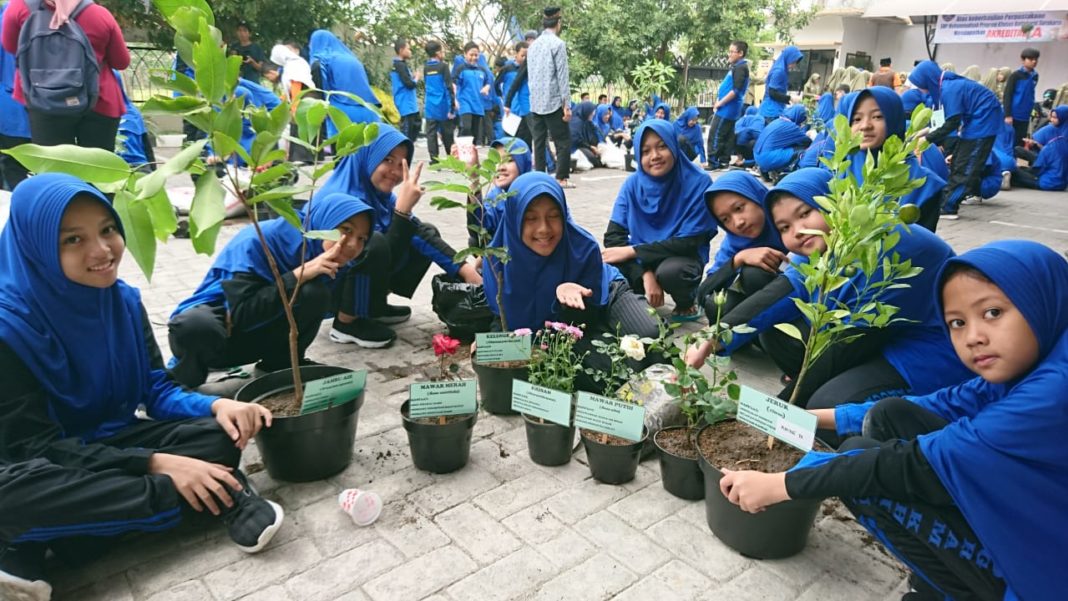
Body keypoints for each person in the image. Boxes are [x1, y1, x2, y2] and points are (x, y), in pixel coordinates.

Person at [719, 240, 1068, 601]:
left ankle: (965, 590)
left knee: (862, 471)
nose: (974, 337)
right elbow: (940, 403)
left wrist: (783, 483)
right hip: (1033, 512)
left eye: (993, 313)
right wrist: (796, 418)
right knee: (891, 414)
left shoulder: (1053, 392)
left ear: (1040, 296)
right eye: (958, 323)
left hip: (1045, 576)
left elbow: (910, 464)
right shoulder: (1039, 359)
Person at [0, 175, 284, 599]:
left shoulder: (123, 301)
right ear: (35, 247)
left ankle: (59, 536)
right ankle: (217, 494)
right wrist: (158, 464)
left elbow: (156, 390)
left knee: (216, 438)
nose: (101, 251)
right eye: (73, 240)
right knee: (11, 497)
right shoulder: (10, 329)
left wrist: (216, 408)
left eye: (108, 230)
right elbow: (37, 447)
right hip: (41, 462)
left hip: (110, 442)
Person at [685, 168, 972, 418]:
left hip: (931, 354)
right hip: (877, 340)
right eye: (784, 227)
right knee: (780, 340)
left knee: (824, 405)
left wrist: (774, 413)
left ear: (839, 204)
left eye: (806, 213)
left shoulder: (890, 246)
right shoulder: (824, 247)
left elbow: (846, 346)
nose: (798, 231)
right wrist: (712, 341)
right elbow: (777, 295)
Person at [169, 192, 376, 387]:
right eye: (346, 230)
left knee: (314, 293)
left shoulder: (327, 259)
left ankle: (280, 366)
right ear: (323, 222)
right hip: (220, 336)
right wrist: (300, 274)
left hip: (261, 334)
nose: (352, 245)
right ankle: (182, 385)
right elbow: (242, 314)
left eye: (361, 239)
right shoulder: (259, 241)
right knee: (195, 326)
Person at [483, 171, 659, 391]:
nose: (544, 229)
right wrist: (487, 344)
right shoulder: (496, 261)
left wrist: (572, 293)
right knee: (605, 372)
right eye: (530, 218)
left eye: (554, 216)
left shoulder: (582, 247)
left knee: (651, 336)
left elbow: (590, 315)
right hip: (565, 329)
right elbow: (503, 315)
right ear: (514, 218)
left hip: (605, 296)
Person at [317, 124, 482, 346]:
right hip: (327, 288)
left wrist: (465, 271)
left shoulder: (379, 197)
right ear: (368, 156)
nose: (395, 172)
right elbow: (364, 253)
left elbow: (418, 232)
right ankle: (347, 322)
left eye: (401, 163)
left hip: (354, 276)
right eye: (387, 160)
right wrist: (402, 212)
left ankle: (373, 307)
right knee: (374, 242)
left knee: (425, 232)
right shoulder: (340, 198)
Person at [602, 119, 717, 322]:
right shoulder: (632, 185)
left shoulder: (698, 183)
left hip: (681, 256)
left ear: (674, 145)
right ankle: (636, 304)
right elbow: (614, 237)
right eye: (645, 151)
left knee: (672, 272)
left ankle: (687, 302)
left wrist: (633, 251)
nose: (654, 156)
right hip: (643, 259)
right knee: (609, 263)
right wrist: (645, 273)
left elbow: (690, 241)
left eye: (662, 146)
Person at [1, 0, 129, 150]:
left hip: (43, 99)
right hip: (98, 100)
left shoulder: (19, 8)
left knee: (55, 165)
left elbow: (11, 47)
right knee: (96, 168)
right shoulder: (98, 14)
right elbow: (121, 62)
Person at [842, 87, 945, 232]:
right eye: (856, 119)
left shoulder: (924, 185)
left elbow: (920, 244)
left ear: (894, 119)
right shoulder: (841, 172)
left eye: (877, 116)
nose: (865, 126)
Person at [909, 60, 1002, 220]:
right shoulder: (943, 87)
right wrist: (919, 135)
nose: (920, 89)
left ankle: (949, 206)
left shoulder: (949, 89)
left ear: (928, 79)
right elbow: (940, 123)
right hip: (974, 123)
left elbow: (951, 122)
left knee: (966, 166)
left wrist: (927, 139)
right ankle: (949, 201)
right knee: (958, 162)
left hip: (983, 123)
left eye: (920, 84)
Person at [696, 171, 787, 320]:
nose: (738, 223)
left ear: (757, 196)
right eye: (725, 219)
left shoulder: (790, 225)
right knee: (716, 305)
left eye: (739, 208)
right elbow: (703, 293)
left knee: (754, 274)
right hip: (756, 315)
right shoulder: (734, 244)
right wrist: (738, 259)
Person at [526, 9, 573, 188]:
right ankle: (561, 178)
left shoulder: (533, 46)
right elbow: (562, 76)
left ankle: (539, 177)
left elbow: (531, 75)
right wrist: (566, 105)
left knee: (538, 142)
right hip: (553, 101)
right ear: (558, 23)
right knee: (562, 141)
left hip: (536, 101)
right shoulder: (558, 44)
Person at [463, 137, 533, 247]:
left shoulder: (536, 194)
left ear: (523, 162)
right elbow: (481, 228)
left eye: (509, 160)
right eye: (496, 161)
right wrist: (474, 178)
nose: (501, 167)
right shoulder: (496, 195)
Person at [308, 30, 380, 135]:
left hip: (342, 116)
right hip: (370, 112)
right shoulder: (352, 59)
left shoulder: (321, 60)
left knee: (344, 150)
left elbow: (321, 87)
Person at [0, 0, 30, 190]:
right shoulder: (60, 13)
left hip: (10, 109)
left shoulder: (7, 15)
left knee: (12, 167)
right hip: (55, 106)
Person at [707, 40, 750, 169]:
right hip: (731, 108)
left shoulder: (740, 68)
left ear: (740, 53)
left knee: (716, 134)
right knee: (727, 135)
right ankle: (723, 160)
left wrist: (720, 103)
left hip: (727, 108)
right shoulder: (738, 67)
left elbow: (735, 91)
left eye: (732, 52)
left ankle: (713, 161)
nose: (729, 54)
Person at [1011, 104, 1067, 191]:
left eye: (1055, 118)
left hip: (1046, 182)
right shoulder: (1060, 142)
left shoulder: (1049, 148)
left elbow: (1037, 170)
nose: (1052, 120)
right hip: (1061, 182)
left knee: (1014, 172)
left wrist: (1021, 170)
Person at [422, 40, 457, 164]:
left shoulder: (426, 68)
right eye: (442, 51)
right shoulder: (443, 66)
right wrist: (452, 108)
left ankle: (434, 160)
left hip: (430, 106)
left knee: (431, 134)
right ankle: (451, 159)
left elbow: (427, 85)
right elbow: (449, 87)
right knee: (447, 133)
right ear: (437, 53)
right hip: (442, 105)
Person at [753, 105, 810, 179]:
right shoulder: (791, 126)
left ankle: (769, 170)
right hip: (767, 158)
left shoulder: (777, 121)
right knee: (803, 150)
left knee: (786, 147)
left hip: (757, 156)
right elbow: (807, 141)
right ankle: (788, 174)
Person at [453, 42, 491, 145]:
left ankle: (470, 155)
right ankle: (460, 148)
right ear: (465, 54)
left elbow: (488, 82)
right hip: (465, 103)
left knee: (474, 132)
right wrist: (454, 100)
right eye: (471, 55)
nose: (474, 57)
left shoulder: (482, 70)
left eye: (476, 55)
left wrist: (487, 88)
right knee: (466, 127)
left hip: (478, 104)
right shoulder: (461, 69)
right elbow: (453, 84)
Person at [1003, 47, 1040, 147]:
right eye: (1031, 59)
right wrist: (1008, 115)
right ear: (1023, 60)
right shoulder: (1015, 75)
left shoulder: (1035, 75)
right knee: (1008, 141)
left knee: (1018, 143)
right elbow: (1007, 95)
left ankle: (1013, 161)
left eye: (1036, 59)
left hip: (1025, 116)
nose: (1034, 61)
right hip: (1013, 115)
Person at [498, 41, 531, 146]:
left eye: (527, 56)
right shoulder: (508, 69)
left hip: (524, 109)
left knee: (525, 139)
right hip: (511, 109)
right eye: (523, 55)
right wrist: (503, 97)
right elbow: (496, 84)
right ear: (516, 54)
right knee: (510, 140)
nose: (525, 58)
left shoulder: (530, 68)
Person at [759, 46, 802, 122]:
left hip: (772, 108)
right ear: (788, 58)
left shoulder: (781, 69)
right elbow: (772, 92)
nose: (794, 65)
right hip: (771, 111)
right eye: (793, 62)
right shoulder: (779, 71)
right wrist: (790, 98)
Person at [391, 38, 421, 143]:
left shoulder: (401, 65)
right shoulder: (399, 65)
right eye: (408, 49)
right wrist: (416, 78)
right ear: (401, 50)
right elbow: (409, 84)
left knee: (416, 126)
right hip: (405, 104)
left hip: (410, 105)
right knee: (407, 134)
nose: (410, 51)